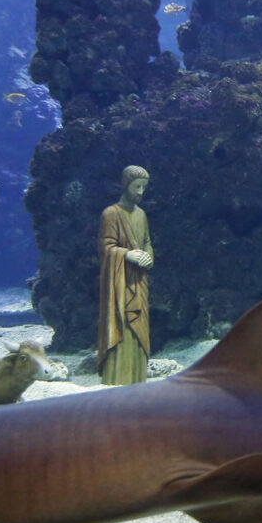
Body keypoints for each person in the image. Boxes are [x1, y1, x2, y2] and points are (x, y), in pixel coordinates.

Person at [97, 165, 154, 385]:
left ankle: (137, 377)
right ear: (125, 185)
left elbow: (147, 242)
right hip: (119, 284)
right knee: (121, 322)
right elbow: (106, 247)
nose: (140, 192)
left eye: (144, 188)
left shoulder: (142, 215)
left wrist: (149, 256)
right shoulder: (111, 214)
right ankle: (116, 378)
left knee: (138, 323)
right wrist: (127, 255)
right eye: (136, 186)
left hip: (138, 281)